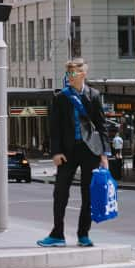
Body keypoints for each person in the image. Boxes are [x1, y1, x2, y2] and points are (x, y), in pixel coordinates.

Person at [37, 58, 110, 249]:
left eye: (73, 73)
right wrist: (55, 152)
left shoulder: (93, 95)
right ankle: (57, 234)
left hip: (90, 151)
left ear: (83, 74)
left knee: (88, 193)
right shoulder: (61, 97)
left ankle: (83, 234)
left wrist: (104, 155)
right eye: (68, 73)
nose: (69, 77)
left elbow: (102, 126)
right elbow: (55, 128)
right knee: (60, 192)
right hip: (67, 152)